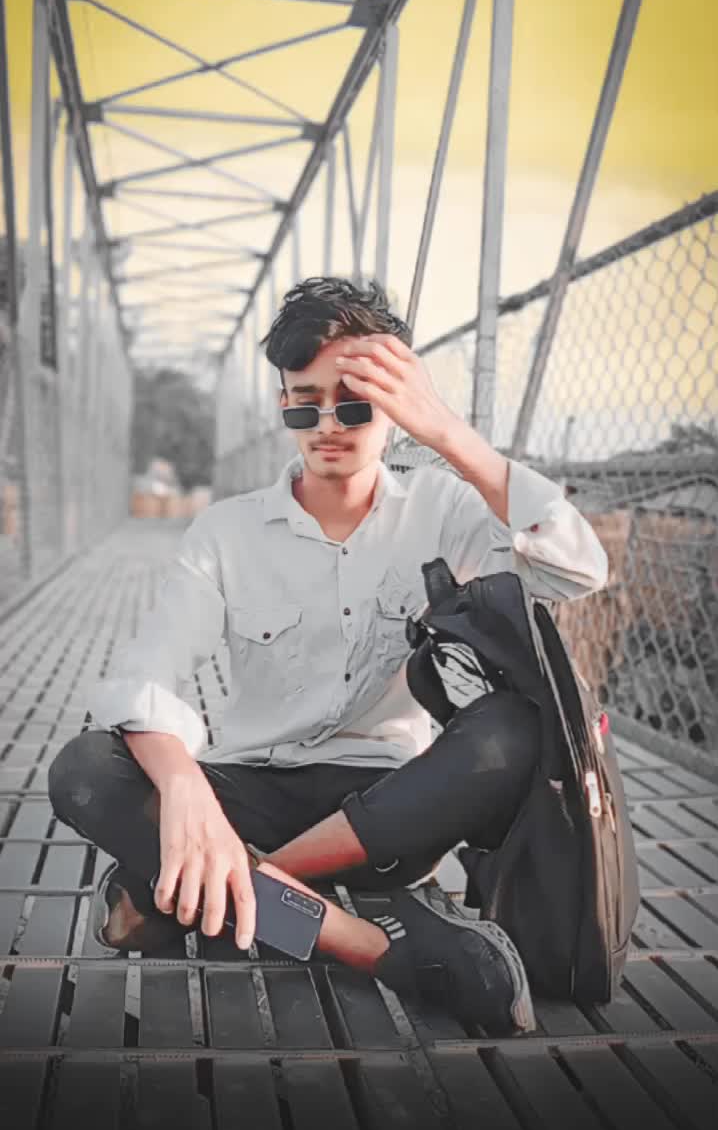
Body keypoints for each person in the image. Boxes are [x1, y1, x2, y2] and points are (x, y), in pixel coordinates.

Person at [48, 277, 607, 1037]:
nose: (328, 425)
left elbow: (576, 569)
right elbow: (146, 672)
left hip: (389, 811)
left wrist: (448, 431)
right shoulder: (227, 532)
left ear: (396, 406)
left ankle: (207, 889)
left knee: (513, 729)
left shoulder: (442, 510)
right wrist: (183, 788)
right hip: (250, 785)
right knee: (85, 768)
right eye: (304, 404)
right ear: (282, 404)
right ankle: (370, 946)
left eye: (355, 403)